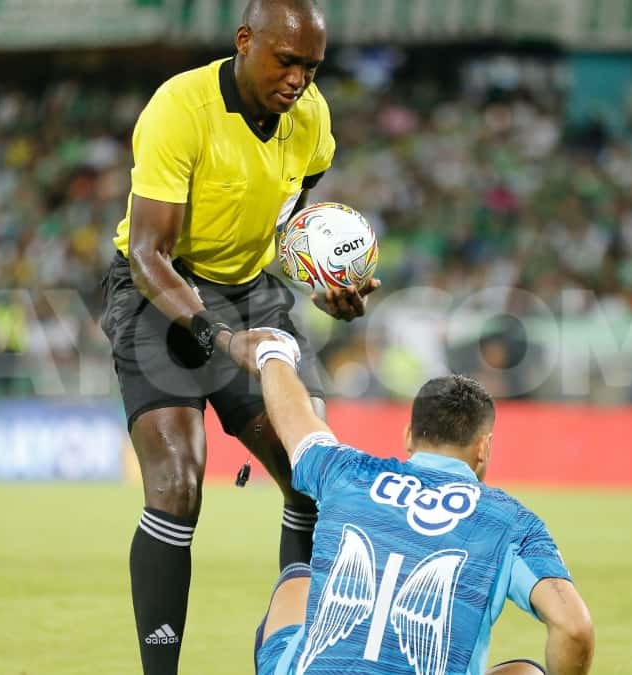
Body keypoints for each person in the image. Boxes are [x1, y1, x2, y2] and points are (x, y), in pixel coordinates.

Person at [96, 2, 378, 673]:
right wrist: (221, 338)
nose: (299, 81)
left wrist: (322, 282)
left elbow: (287, 221)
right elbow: (147, 252)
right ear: (245, 41)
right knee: (176, 483)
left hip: (251, 288)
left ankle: (296, 658)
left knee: (313, 476)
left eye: (312, 66)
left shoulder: (311, 120)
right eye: (286, 61)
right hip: (155, 291)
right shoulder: (180, 107)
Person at [232, 330, 595, 675]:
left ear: (408, 436)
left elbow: (296, 419)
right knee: (527, 672)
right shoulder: (511, 521)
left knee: (298, 579)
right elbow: (574, 628)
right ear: (483, 448)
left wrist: (274, 351)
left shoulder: (347, 472)